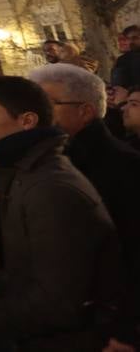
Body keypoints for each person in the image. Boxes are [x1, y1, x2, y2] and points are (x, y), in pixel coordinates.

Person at [0, 76, 121, 350]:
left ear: (27, 120)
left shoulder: (52, 187)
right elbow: (31, 265)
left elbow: (61, 300)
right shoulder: (24, 175)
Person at [28, 64, 140, 280]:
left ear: (85, 111)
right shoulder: (49, 160)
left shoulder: (124, 166)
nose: (35, 114)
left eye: (47, 104)